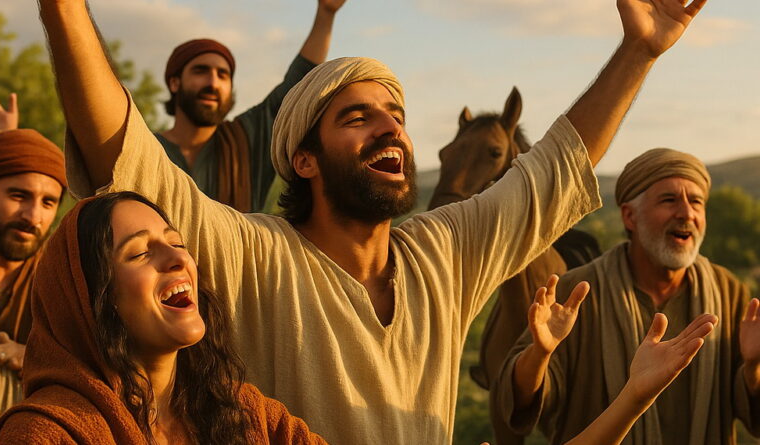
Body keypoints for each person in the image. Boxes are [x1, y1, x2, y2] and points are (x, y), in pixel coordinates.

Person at [38, 0, 709, 442]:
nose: (390, 126)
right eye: (357, 117)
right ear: (303, 158)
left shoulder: (442, 253)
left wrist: (639, 52)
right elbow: (123, 153)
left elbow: (555, 168)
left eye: (397, 115)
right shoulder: (250, 253)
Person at [0, 191, 326, 444]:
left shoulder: (245, 413)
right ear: (91, 300)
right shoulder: (45, 434)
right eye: (140, 253)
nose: (177, 259)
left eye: (176, 242)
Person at [494, 148, 760, 445]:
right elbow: (517, 401)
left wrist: (753, 366)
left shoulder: (729, 291)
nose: (686, 213)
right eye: (669, 200)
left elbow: (751, 410)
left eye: (696, 202)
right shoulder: (579, 292)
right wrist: (538, 355)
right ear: (630, 216)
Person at [156, 0, 346, 212]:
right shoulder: (145, 147)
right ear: (174, 83)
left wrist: (325, 13)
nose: (212, 83)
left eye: (222, 75)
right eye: (200, 71)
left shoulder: (249, 138)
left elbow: (299, 80)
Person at [0, 128, 66, 445]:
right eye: (18, 196)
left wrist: (39, 359)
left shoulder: (61, 284)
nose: (33, 216)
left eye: (48, 203)